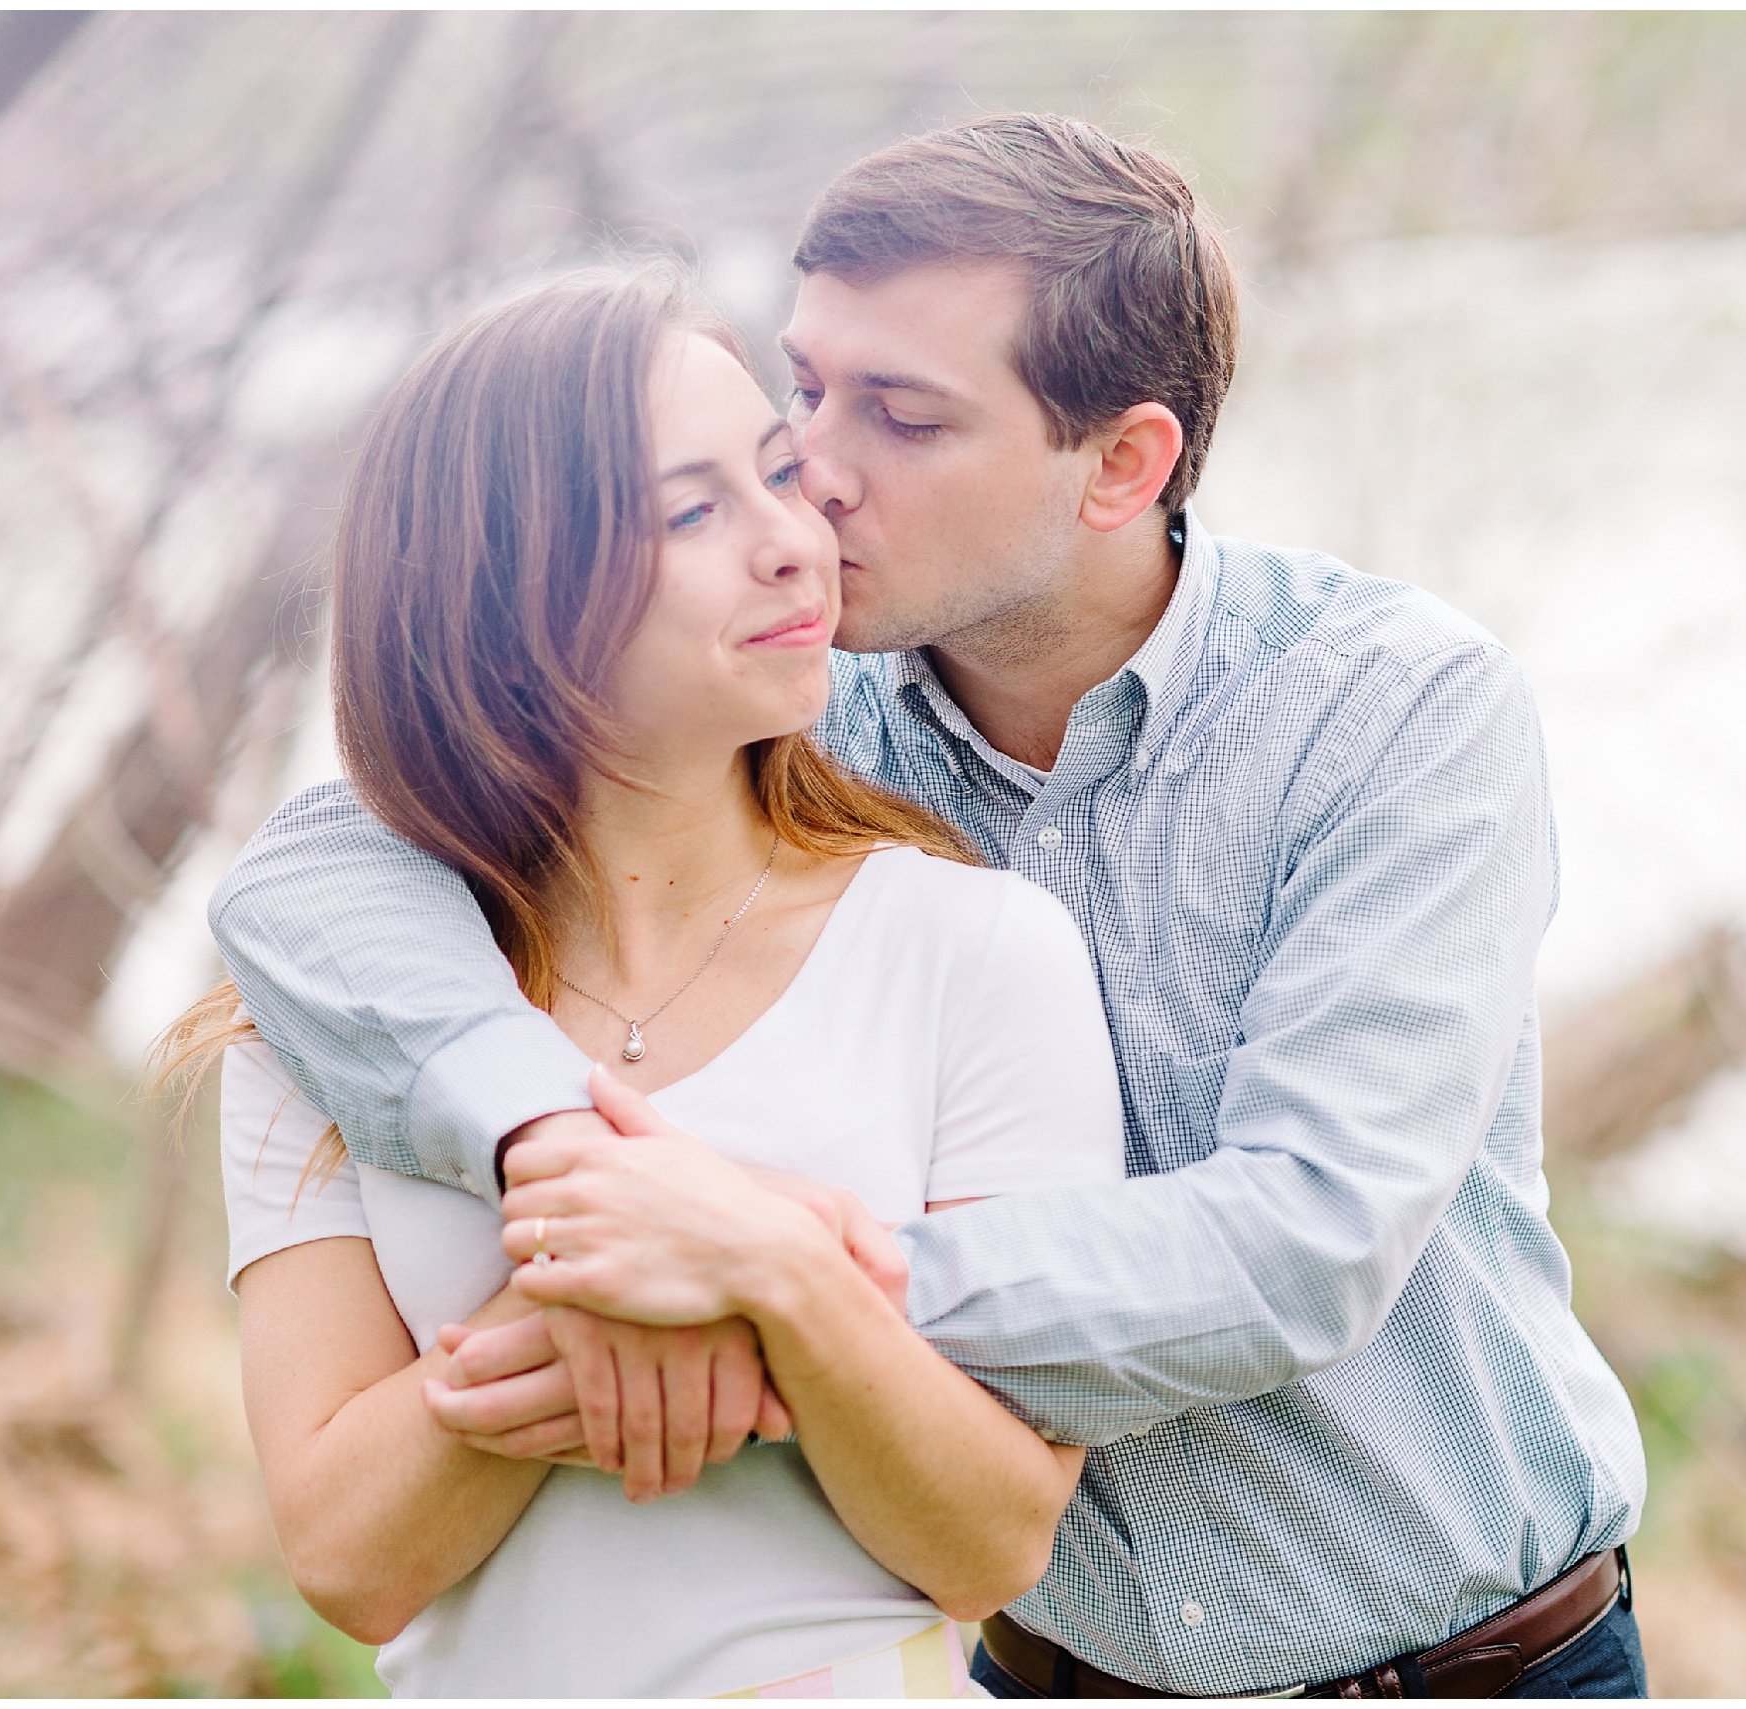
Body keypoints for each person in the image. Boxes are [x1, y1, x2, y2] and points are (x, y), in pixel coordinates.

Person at [213, 114, 1652, 1698]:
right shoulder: (782, 703)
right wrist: (553, 1147)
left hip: (1462, 1666)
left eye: (900, 415)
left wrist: (780, 1278)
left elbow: (1302, 1241)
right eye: (805, 388)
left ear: (1123, 463)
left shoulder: (1384, 711)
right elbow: (308, 875)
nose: (811, 474)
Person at [165, 266, 1131, 1697]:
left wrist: (781, 1275)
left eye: (775, 476)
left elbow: (992, 1534)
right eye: (691, 512)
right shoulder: (333, 1025)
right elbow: (347, 1558)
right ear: (504, 593)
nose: (793, 542)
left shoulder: (973, 948)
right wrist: (610, 1282)